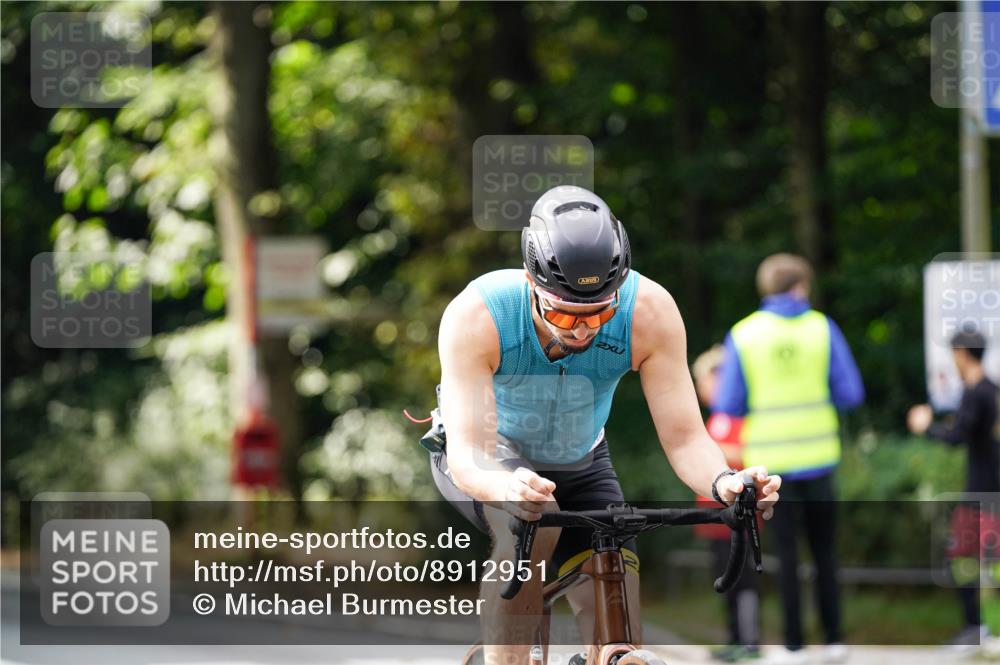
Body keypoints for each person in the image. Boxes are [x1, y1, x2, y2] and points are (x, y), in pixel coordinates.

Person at [430, 185, 782, 664]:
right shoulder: (478, 315)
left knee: (615, 577)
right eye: (562, 314)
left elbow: (685, 439)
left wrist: (725, 482)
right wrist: (506, 487)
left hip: (583, 458)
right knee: (530, 527)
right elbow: (469, 456)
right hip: (493, 456)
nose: (583, 330)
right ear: (532, 285)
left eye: (600, 313)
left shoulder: (649, 311)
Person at [714, 254, 864, 665]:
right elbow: (850, 393)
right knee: (825, 553)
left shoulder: (744, 334)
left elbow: (728, 402)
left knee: (786, 557)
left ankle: (795, 645)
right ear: (801, 286)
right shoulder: (822, 327)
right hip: (820, 460)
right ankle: (834, 640)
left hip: (771, 469)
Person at [907, 329, 1000, 654]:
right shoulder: (992, 389)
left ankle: (976, 629)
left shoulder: (975, 392)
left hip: (981, 491)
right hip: (991, 487)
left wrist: (925, 427)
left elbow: (957, 437)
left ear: (962, 352)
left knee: (961, 558)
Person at [692, 345, 761, 662]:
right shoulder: (717, 418)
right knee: (724, 577)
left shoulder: (738, 417)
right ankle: (734, 638)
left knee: (742, 577)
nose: (700, 389)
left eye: (704, 381)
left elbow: (747, 458)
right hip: (716, 518)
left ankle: (749, 641)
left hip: (737, 516)